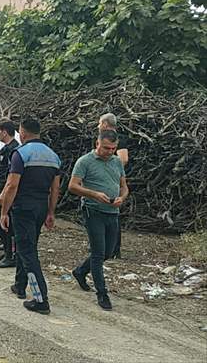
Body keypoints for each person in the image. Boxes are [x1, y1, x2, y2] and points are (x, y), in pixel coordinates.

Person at [0, 117, 61, 314]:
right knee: (27, 246)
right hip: (41, 207)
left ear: (22, 133)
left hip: (23, 208)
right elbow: (55, 188)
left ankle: (40, 299)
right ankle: (20, 285)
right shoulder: (53, 156)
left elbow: (12, 185)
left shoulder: (20, 154)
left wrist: (4, 212)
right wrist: (51, 212)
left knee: (27, 253)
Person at [68, 130, 129, 311]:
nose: (109, 151)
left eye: (113, 148)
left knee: (108, 253)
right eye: (106, 148)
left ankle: (80, 271)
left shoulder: (117, 162)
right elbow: (72, 186)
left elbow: (124, 187)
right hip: (93, 211)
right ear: (97, 144)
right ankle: (102, 293)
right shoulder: (85, 161)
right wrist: (94, 194)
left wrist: (122, 198)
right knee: (97, 252)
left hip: (112, 212)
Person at [98, 113, 129, 259]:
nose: (98, 126)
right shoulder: (101, 139)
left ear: (104, 124)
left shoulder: (117, 139)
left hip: (112, 180)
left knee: (113, 213)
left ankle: (114, 249)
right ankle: (101, 246)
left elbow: (123, 158)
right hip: (101, 180)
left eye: (99, 123)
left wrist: (109, 169)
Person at [0, 120, 20, 268]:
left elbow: (11, 176)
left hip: (7, 191)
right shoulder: (6, 148)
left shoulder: (14, 150)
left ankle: (11, 255)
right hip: (1, 188)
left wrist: (4, 193)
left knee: (5, 222)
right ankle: (7, 250)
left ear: (4, 132)